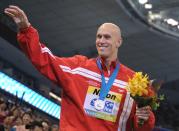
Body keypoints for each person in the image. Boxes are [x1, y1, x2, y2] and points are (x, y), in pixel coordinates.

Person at [4, 5, 155, 131]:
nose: (101, 41)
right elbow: (44, 59)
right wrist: (26, 30)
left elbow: (141, 126)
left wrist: (145, 119)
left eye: (107, 37)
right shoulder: (77, 67)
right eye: (98, 36)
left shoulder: (135, 83)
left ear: (119, 42)